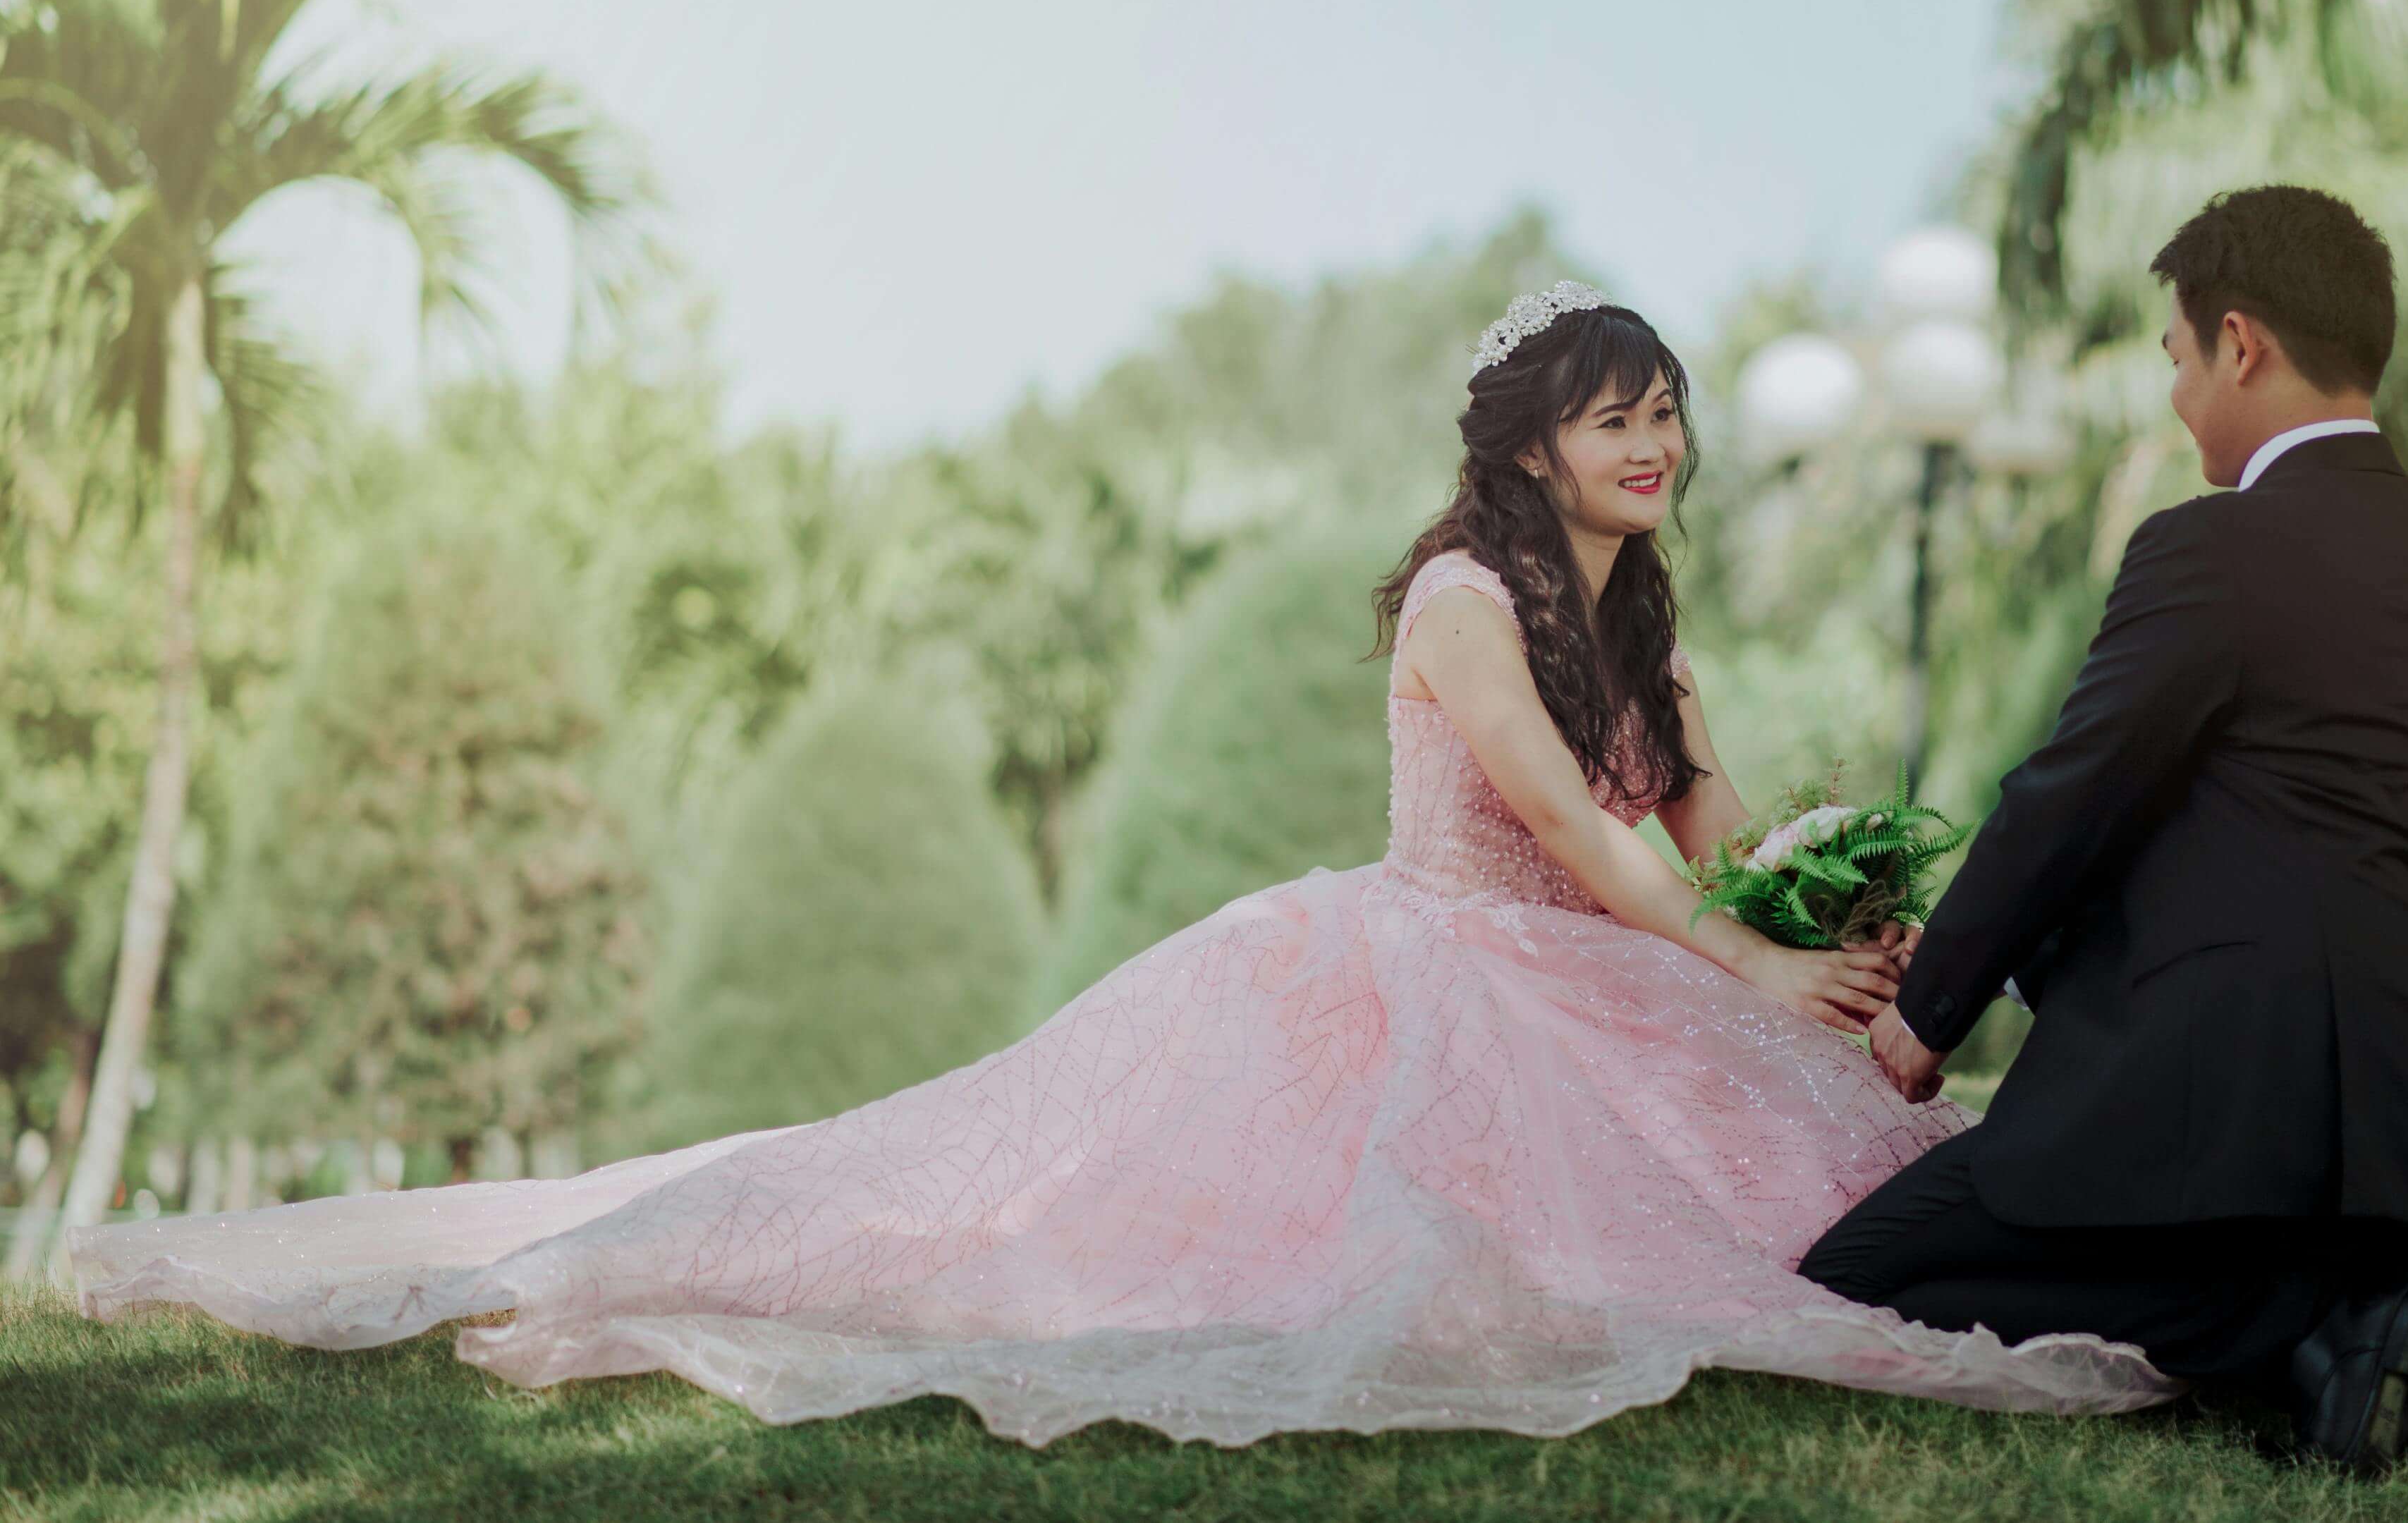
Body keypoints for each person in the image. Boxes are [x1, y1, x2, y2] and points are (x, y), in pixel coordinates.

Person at [71, 283, 2172, 1445]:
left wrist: (1805, 922)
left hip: (1613, 965)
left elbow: (1696, 823)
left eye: (1669, 420)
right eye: (1612, 416)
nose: (1651, 446)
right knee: (1087, 1222)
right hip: (1437, 966)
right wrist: (1732, 952)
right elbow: (1561, 822)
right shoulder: (1460, 597)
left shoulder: (1652, 624)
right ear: (1530, 438)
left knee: (1826, 1164)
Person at [1800, 185, 2408, 1469]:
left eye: (2181, 359)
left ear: (2240, 343)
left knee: (1860, 1271)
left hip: (2210, 1099)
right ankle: (2358, 1298)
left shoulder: (2219, 546)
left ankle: (2318, 1317)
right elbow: (2247, 831)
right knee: (2197, 1256)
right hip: (2407, 1114)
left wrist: (1930, 1014)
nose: (2180, 396)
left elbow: (2076, 793)